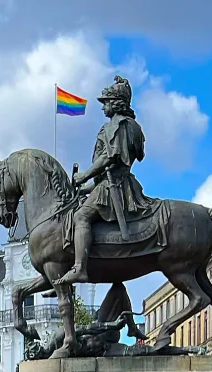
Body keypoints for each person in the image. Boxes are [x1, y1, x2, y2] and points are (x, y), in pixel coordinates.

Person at [65, 76, 155, 285]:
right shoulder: (133, 126)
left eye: (105, 102)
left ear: (116, 103)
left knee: (81, 217)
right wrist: (85, 189)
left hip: (114, 187)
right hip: (116, 183)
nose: (103, 107)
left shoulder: (117, 125)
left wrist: (84, 175)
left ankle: (80, 267)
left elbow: (109, 157)